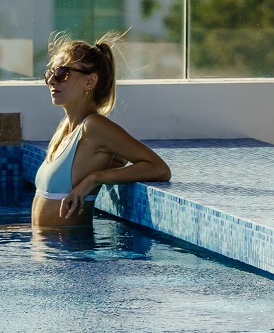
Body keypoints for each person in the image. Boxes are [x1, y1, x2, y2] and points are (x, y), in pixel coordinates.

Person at [31, 32, 170, 228]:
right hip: (47, 243)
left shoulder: (94, 127)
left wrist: (95, 178)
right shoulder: (66, 128)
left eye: (62, 73)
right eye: (50, 73)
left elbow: (160, 169)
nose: (52, 81)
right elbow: (115, 158)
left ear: (90, 81)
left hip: (70, 246)